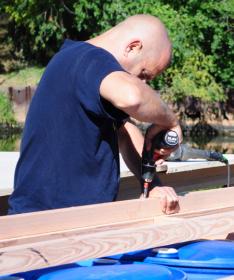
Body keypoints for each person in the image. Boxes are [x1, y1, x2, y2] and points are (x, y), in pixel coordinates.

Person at [8, 15, 182, 215]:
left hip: (76, 222)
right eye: (144, 74)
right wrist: (171, 121)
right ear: (132, 47)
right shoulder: (90, 58)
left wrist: (152, 184)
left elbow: (125, 134)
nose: (142, 84)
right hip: (46, 224)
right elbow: (132, 97)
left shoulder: (89, 71)